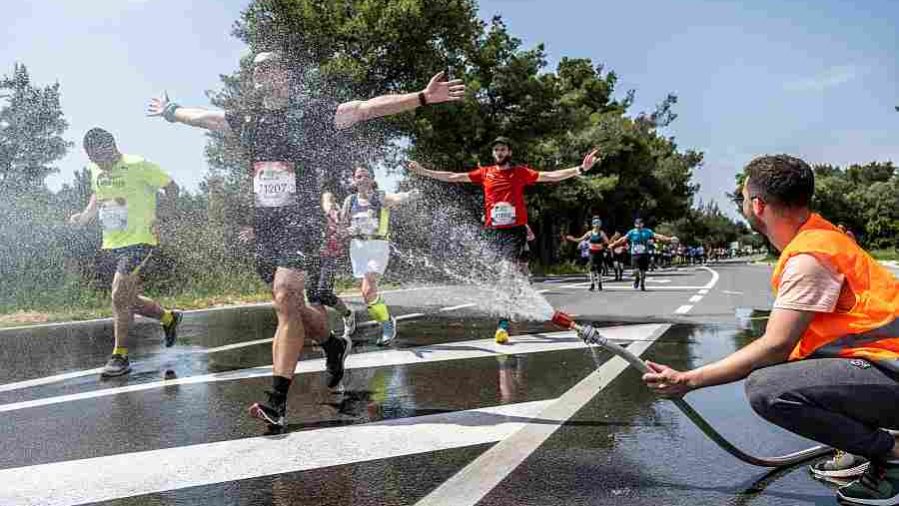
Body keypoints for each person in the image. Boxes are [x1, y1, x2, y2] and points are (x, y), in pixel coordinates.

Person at [147, 50, 464, 429]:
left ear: (285, 73)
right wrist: (171, 110)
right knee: (293, 307)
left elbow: (364, 108)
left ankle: (277, 402)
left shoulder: (311, 113)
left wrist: (422, 97)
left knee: (284, 296)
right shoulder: (248, 119)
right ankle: (333, 344)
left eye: (269, 65)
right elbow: (204, 118)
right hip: (265, 226)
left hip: (302, 221)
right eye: (256, 67)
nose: (261, 71)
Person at [641, 154, 899, 506]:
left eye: (744, 197)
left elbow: (775, 346)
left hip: (890, 370)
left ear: (758, 205)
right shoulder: (823, 237)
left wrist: (690, 380)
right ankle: (860, 445)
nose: (744, 204)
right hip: (885, 367)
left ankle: (893, 454)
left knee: (769, 387)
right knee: (797, 367)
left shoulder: (810, 258)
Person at [408, 137, 600, 344]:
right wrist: (424, 171)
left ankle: (502, 325)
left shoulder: (519, 173)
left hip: (513, 232)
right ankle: (512, 302)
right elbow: (454, 176)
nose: (499, 152)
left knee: (505, 273)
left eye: (503, 149)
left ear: (509, 152)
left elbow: (550, 176)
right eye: (496, 150)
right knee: (503, 280)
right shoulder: (485, 173)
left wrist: (580, 168)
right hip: (493, 233)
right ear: (493, 154)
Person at [68, 128, 182, 377]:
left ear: (111, 147)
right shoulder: (97, 170)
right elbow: (98, 195)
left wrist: (164, 216)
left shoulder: (138, 164)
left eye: (99, 156)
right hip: (112, 242)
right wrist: (85, 216)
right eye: (91, 158)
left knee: (118, 293)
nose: (96, 163)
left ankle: (120, 356)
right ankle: (168, 318)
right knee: (127, 299)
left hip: (140, 240)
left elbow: (172, 187)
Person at [340, 166, 419, 346]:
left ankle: (386, 325)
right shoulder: (350, 200)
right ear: (354, 180)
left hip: (378, 245)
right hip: (358, 247)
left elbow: (396, 198)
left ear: (372, 179)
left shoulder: (380, 196)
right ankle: (386, 320)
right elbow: (341, 227)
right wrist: (348, 230)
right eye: (359, 176)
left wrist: (408, 195)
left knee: (368, 288)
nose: (362, 179)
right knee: (367, 294)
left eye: (366, 176)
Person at [608, 218, 677, 291]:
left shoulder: (647, 231)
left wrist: (669, 239)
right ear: (635, 225)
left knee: (643, 271)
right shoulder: (632, 232)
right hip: (635, 254)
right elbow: (622, 239)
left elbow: (658, 236)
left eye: (640, 223)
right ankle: (637, 278)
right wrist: (613, 244)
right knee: (636, 271)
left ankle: (642, 284)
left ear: (643, 224)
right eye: (637, 224)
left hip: (644, 253)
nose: (638, 225)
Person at [563, 216, 609, 291]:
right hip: (592, 252)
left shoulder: (602, 233)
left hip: (599, 252)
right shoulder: (589, 233)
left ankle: (600, 284)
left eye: (598, 223)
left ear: (600, 224)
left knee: (599, 269)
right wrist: (572, 239)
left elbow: (608, 242)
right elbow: (580, 239)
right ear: (592, 224)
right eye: (595, 223)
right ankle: (592, 284)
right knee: (591, 268)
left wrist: (606, 247)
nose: (597, 225)